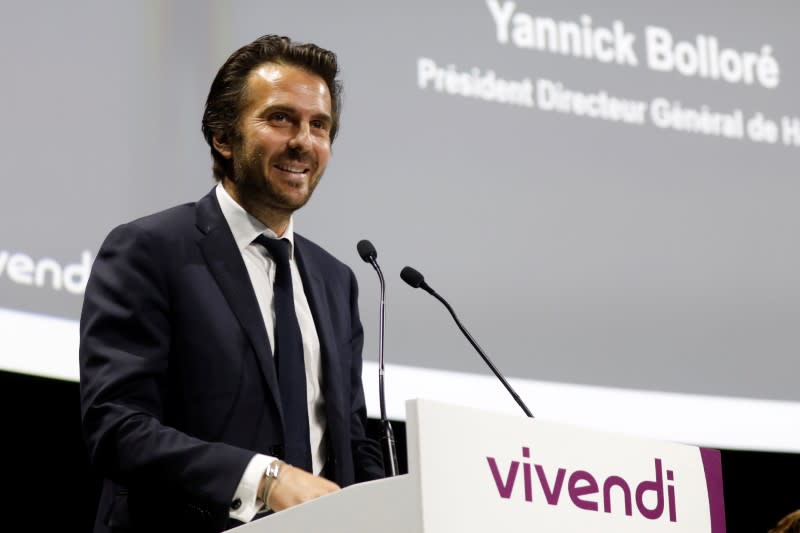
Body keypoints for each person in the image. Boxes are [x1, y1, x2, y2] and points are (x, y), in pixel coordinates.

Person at [79, 34, 384, 533]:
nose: (303, 141)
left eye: (319, 125)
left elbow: (350, 441)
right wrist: (265, 478)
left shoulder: (336, 281)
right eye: (280, 118)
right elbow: (117, 429)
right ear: (224, 136)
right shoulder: (150, 250)